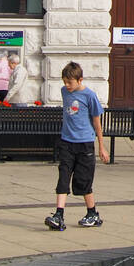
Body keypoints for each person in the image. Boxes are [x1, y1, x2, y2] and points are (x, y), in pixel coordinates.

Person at [44, 62, 109, 231]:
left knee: (83, 181)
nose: (66, 85)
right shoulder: (65, 91)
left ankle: (92, 213)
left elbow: (97, 123)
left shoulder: (90, 96)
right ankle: (59, 215)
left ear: (80, 80)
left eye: (70, 82)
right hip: (66, 142)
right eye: (64, 81)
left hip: (85, 144)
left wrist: (101, 147)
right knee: (63, 178)